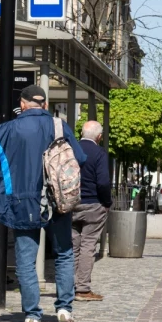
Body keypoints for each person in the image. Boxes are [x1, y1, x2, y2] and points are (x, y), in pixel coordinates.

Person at [0, 85, 85, 322]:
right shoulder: (58, 126)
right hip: (58, 200)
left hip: (22, 201)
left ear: (22, 105)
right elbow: (81, 158)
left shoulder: (7, 129)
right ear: (44, 104)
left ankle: (32, 313)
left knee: (26, 259)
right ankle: (64, 309)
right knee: (64, 253)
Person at [72, 120, 111, 302]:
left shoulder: (71, 149)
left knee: (72, 246)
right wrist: (106, 202)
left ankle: (67, 286)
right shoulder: (99, 153)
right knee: (88, 246)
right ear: (99, 136)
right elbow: (103, 182)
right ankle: (82, 288)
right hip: (93, 205)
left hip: (71, 204)